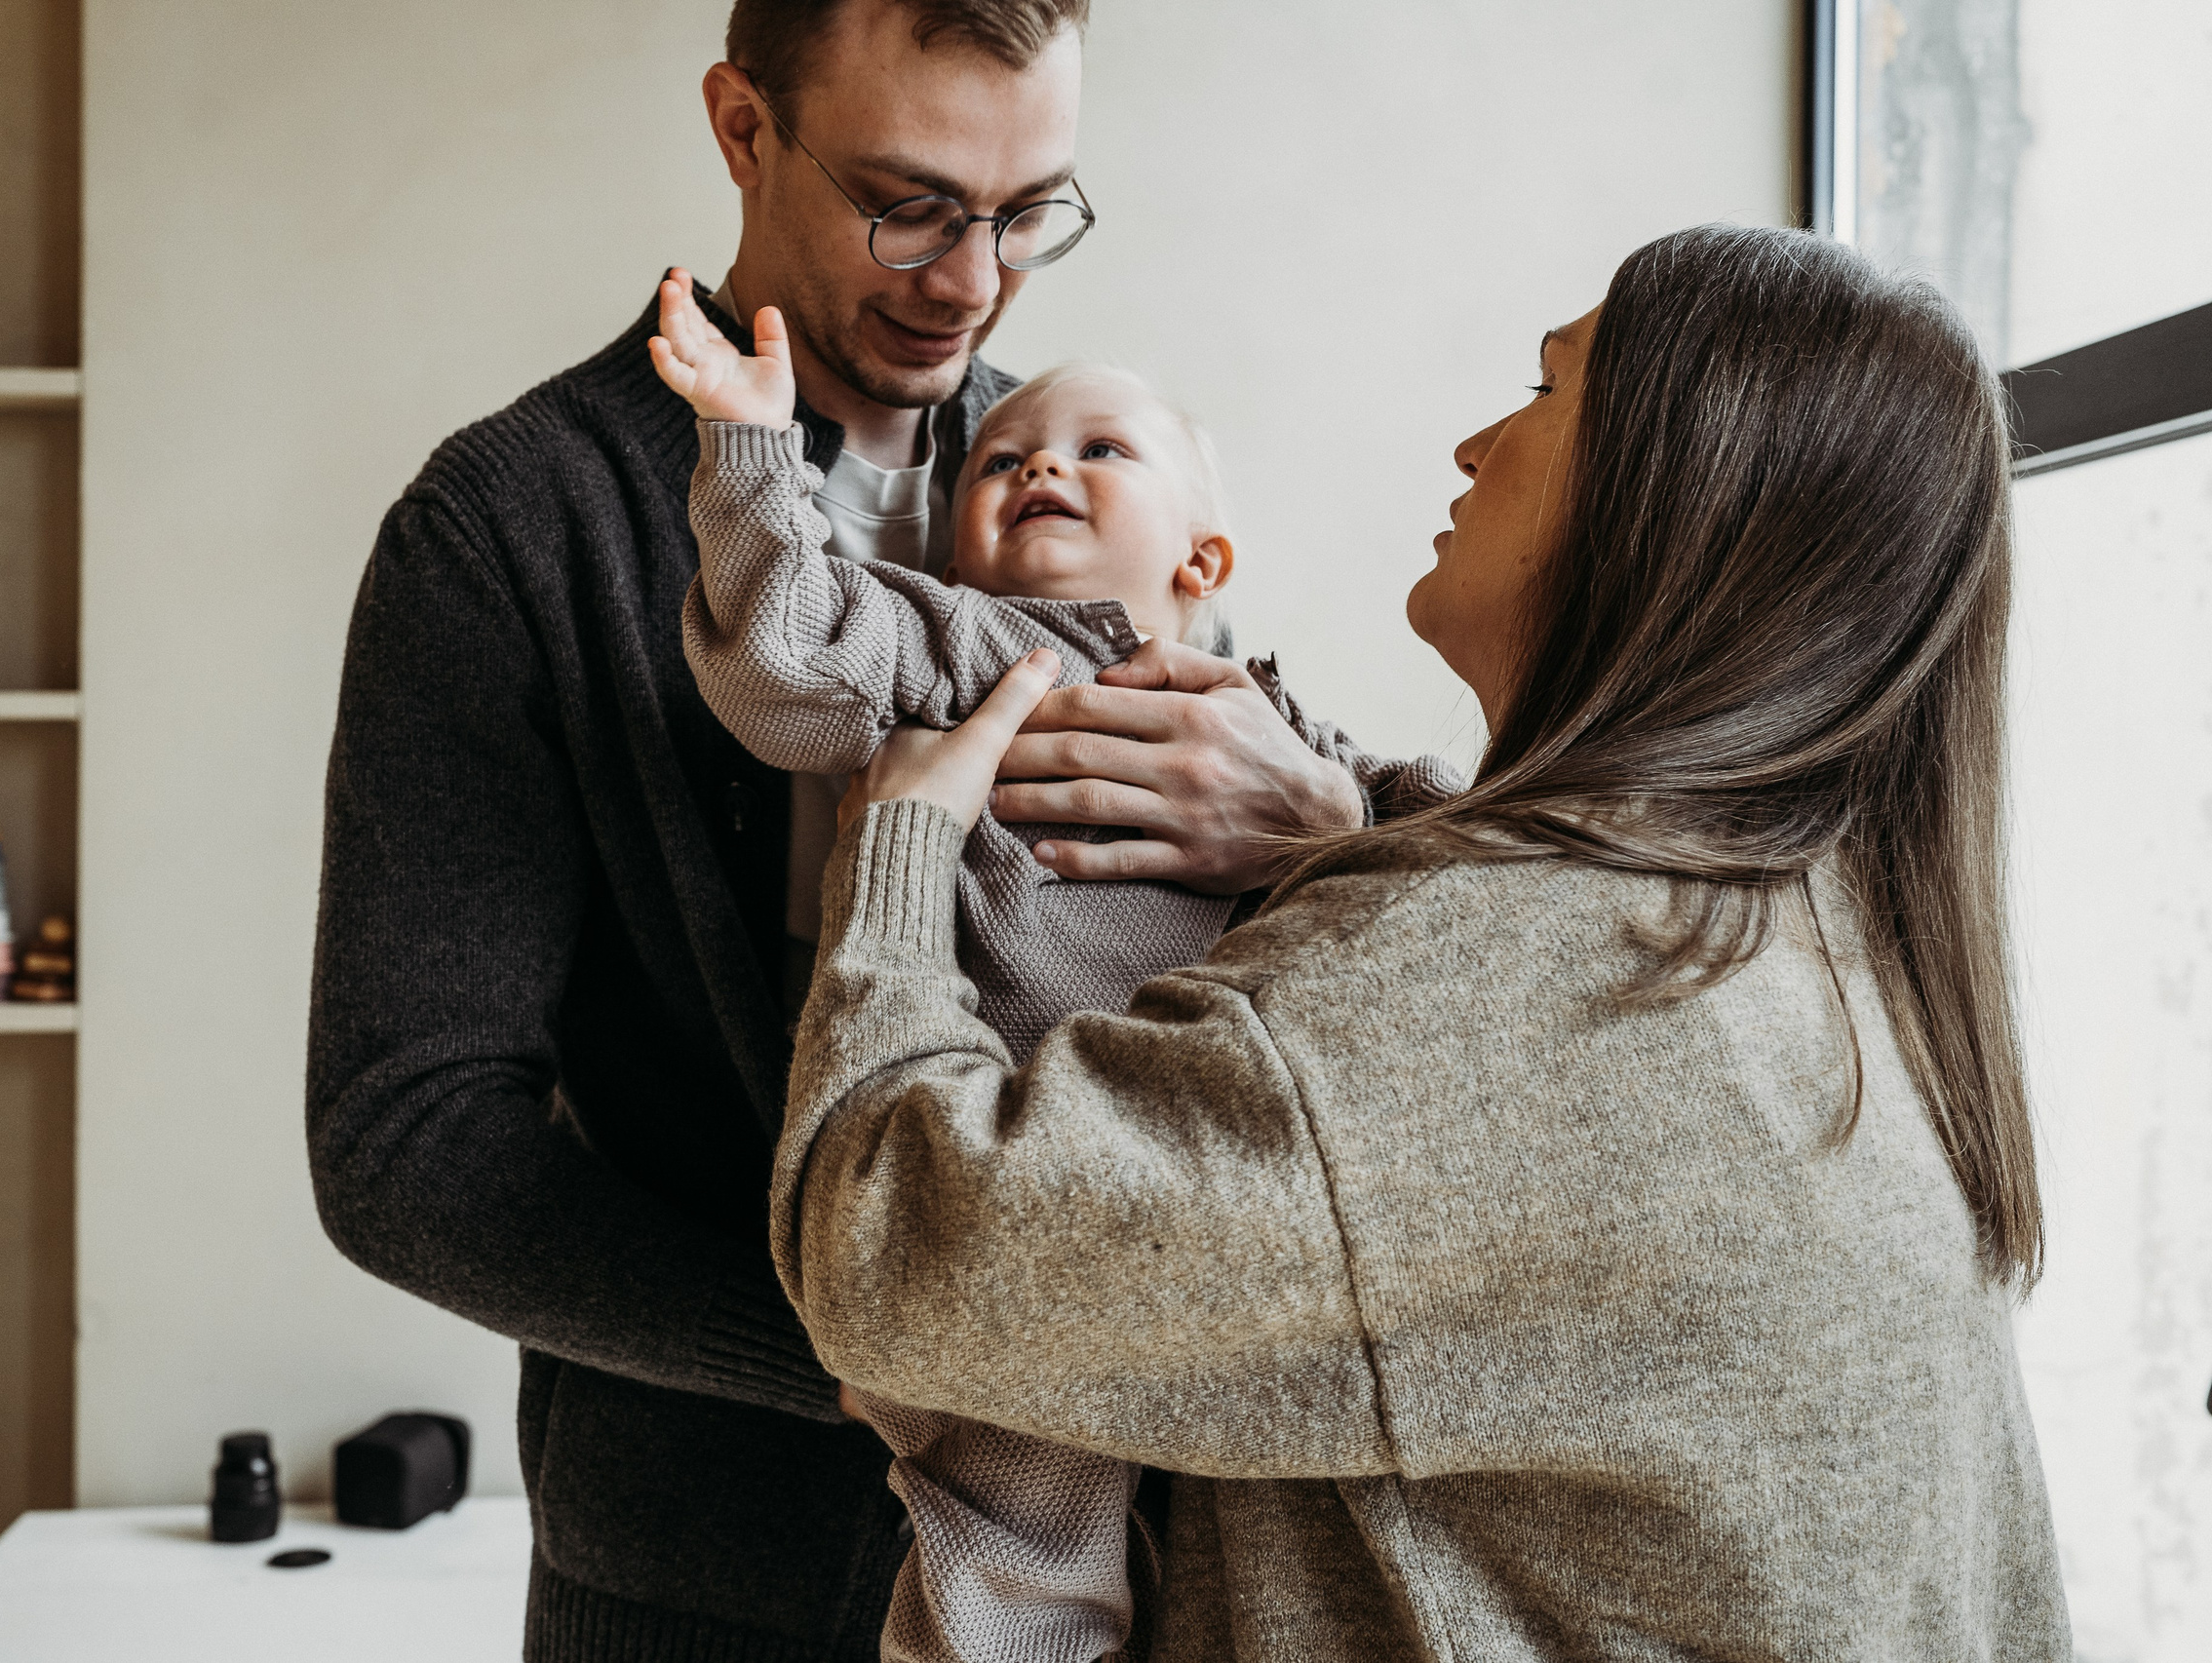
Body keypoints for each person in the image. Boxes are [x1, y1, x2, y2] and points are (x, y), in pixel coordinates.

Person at [771, 224, 2076, 1659]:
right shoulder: (1808, 936)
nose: (1472, 444)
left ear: (1676, 495)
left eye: (1540, 391)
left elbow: (894, 1252)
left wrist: (896, 848)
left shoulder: (1511, 997)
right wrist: (1348, 827)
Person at [306, 3, 1366, 1658]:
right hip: (688, 1586)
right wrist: (885, 1332)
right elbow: (406, 1145)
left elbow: (1251, 956)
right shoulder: (508, 526)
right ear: (741, 129)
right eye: (911, 203)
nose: (973, 281)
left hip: (1140, 1564)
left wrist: (1325, 824)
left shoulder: (1089, 475)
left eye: (1029, 213)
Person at [652, 279, 1454, 1662]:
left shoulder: (1269, 719)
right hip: (1007, 1201)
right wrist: (752, 455)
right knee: (1020, 1548)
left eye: (1099, 450)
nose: (1039, 467)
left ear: (1203, 564)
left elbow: (1454, 839)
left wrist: (1361, 801)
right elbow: (783, 655)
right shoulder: (952, 647)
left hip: (1205, 1197)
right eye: (1004, 461)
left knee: (1255, 1544)